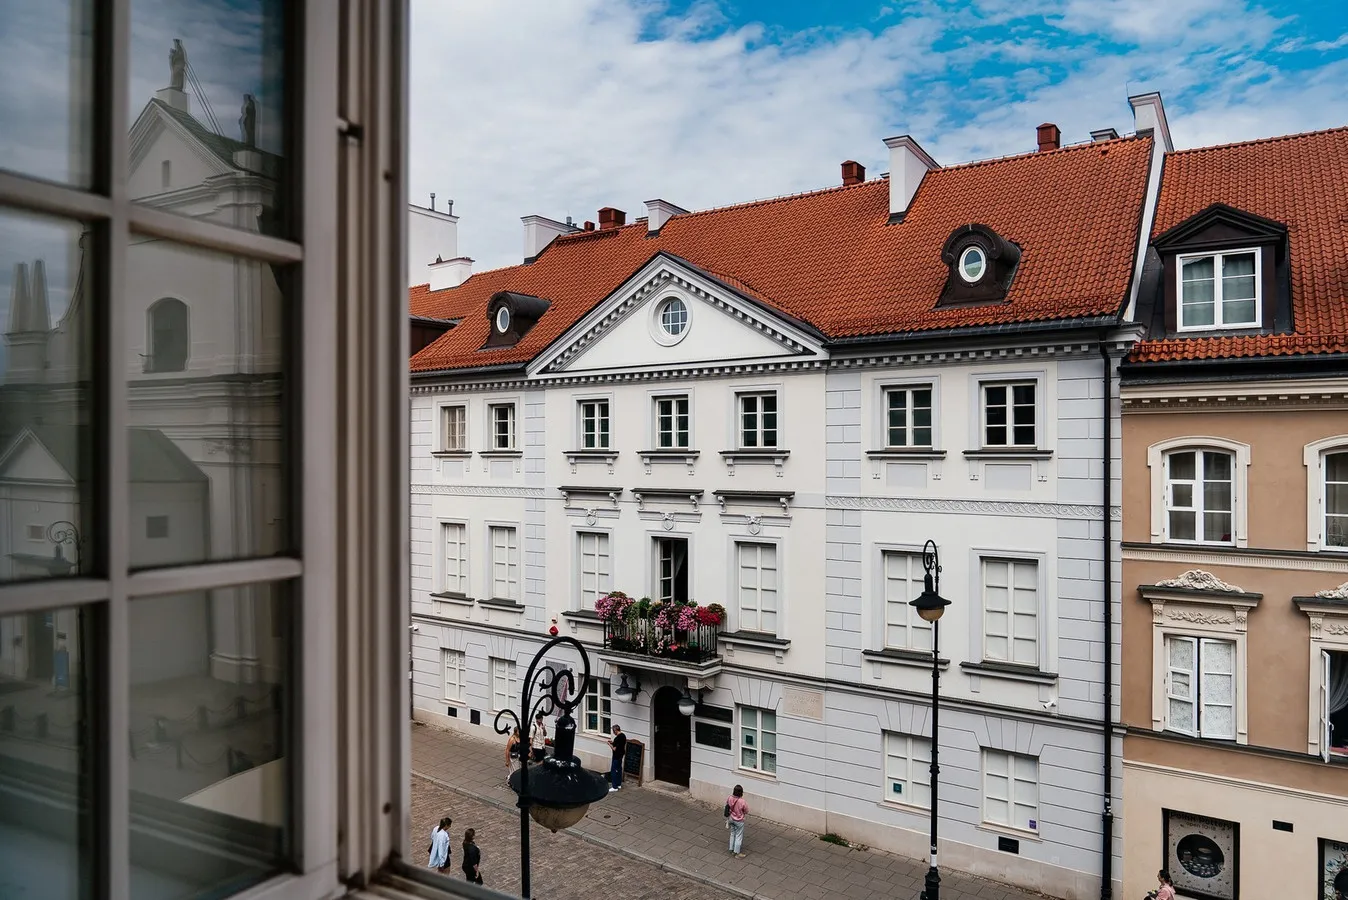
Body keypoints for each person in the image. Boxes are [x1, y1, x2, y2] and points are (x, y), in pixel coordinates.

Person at [725, 784, 748, 858]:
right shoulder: (742, 801)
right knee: (738, 836)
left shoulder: (730, 798)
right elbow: (746, 810)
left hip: (731, 818)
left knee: (732, 833)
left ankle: (731, 849)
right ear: (741, 792)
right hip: (739, 820)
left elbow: (727, 805)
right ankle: (737, 853)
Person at [607, 724, 627, 792]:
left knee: (614, 770)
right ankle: (619, 784)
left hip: (616, 756)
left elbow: (615, 749)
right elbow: (619, 744)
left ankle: (614, 786)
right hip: (621, 755)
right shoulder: (623, 736)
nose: (613, 732)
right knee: (619, 770)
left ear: (615, 730)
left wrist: (609, 744)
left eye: (613, 731)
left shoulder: (617, 738)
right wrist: (613, 742)